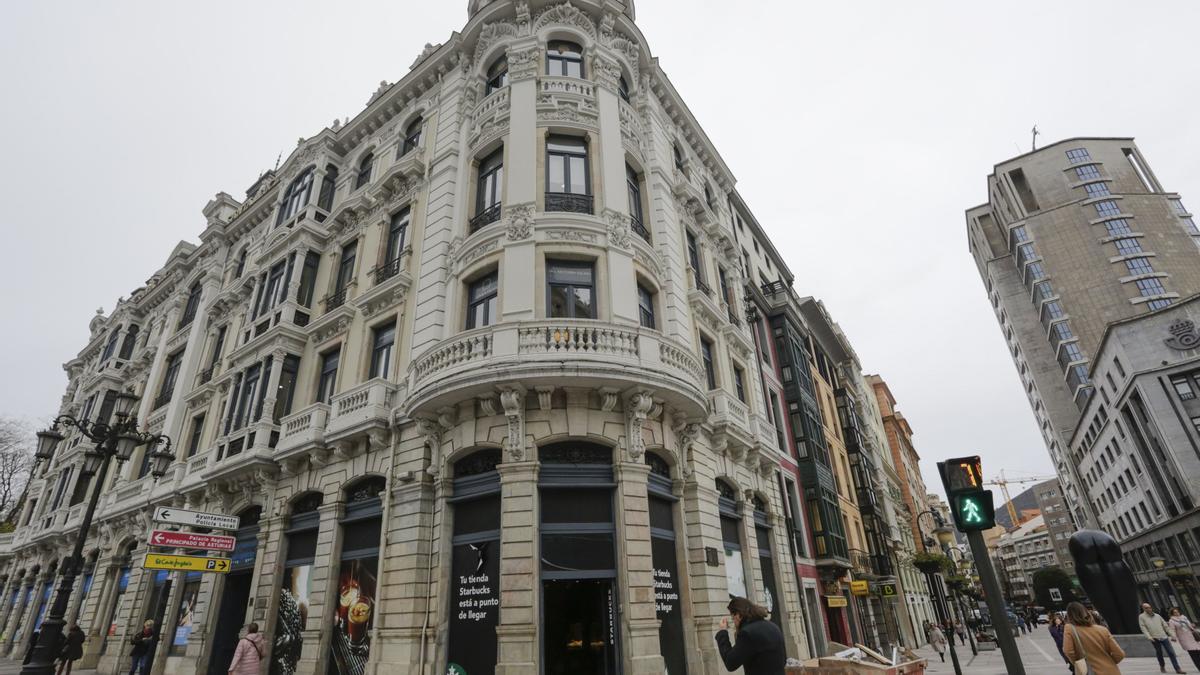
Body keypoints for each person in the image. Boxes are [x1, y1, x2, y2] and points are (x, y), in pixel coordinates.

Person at [713, 597, 785, 675]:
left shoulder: (747, 633)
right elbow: (783, 659)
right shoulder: (773, 626)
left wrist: (722, 632)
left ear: (738, 615)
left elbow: (730, 663)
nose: (733, 621)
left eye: (732, 617)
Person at [1063, 601, 1126, 675]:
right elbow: (1120, 654)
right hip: (1111, 671)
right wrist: (1109, 662)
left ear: (1069, 616)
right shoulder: (1102, 629)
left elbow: (1068, 651)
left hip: (1091, 671)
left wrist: (1078, 663)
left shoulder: (1070, 628)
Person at [1140, 603, 1186, 674]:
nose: (1148, 609)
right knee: (1159, 653)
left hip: (1164, 636)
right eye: (1146, 608)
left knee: (1171, 652)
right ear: (1143, 609)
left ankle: (1177, 669)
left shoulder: (1157, 616)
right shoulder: (1141, 617)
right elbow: (1143, 628)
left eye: (1149, 607)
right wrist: (1149, 637)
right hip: (1154, 638)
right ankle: (1162, 666)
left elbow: (1165, 626)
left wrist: (1172, 635)